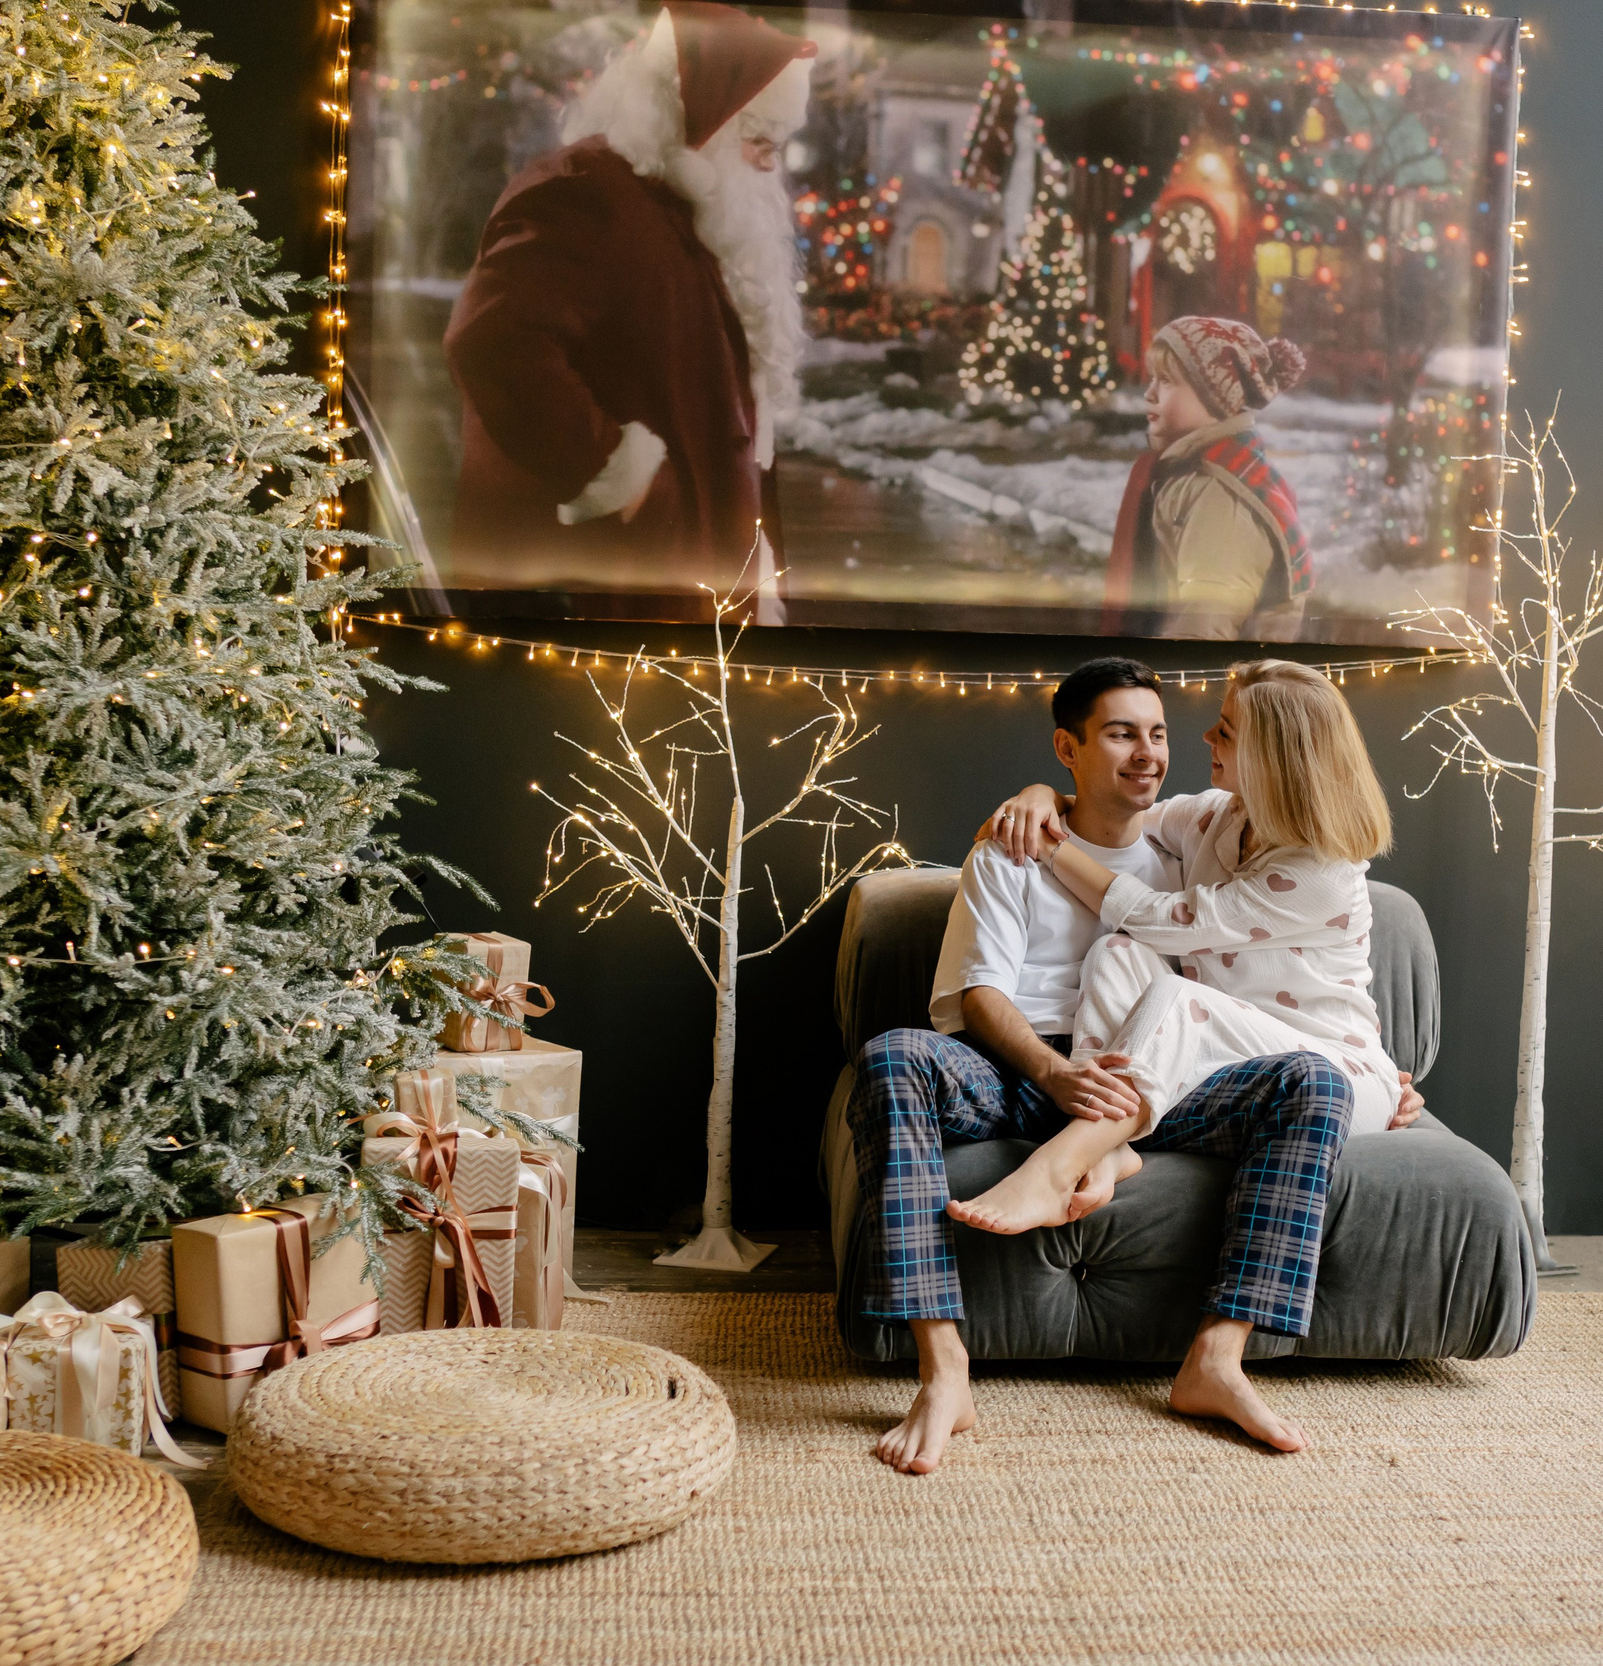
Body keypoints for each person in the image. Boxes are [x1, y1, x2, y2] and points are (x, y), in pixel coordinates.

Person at [853, 658, 1423, 1475]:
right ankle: (944, 1372)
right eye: (1122, 733)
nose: (1155, 752)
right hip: (1033, 1071)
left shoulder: (1195, 852)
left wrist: (1380, 1072)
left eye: (1162, 733)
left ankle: (1208, 1335)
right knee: (894, 1056)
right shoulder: (1159, 830)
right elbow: (973, 996)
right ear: (1069, 747)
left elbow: (1174, 929)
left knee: (1303, 1072)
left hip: (1157, 1081)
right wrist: (1040, 804)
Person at [949, 660, 1403, 1241]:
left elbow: (1157, 917)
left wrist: (1052, 849)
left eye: (1227, 732)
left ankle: (1056, 1165)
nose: (1207, 738)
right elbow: (1109, 809)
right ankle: (1107, 1140)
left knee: (1176, 990)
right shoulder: (1219, 815)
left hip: (1331, 1072)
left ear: (1271, 757)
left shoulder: (1321, 871)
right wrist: (1038, 797)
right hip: (1228, 1056)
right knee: (1116, 952)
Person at [442, 3, 812, 590]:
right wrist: (618, 474)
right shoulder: (587, 192)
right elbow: (493, 340)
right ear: (705, 123)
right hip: (607, 581)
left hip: (680, 569)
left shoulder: (689, 209)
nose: (772, 165)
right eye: (760, 141)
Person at [1100, 317, 1314, 643]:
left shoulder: (1221, 498)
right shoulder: (1188, 473)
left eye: (1167, 380)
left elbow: (1201, 634)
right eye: (1152, 378)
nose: (1150, 394)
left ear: (1215, 396)